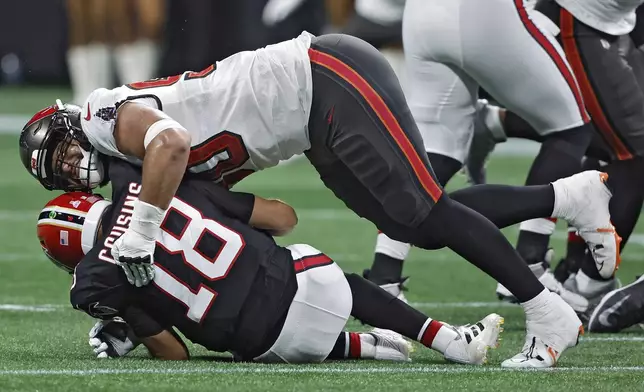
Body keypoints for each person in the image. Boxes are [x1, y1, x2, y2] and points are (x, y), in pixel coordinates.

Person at [19, 32, 603, 367]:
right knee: (416, 223)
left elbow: (170, 142)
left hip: (325, 78)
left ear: (76, 126)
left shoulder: (103, 115)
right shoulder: (132, 169)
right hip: (314, 118)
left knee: (423, 212)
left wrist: (141, 232)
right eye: (60, 171)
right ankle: (566, 196)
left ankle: (550, 317)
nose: (73, 165)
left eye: (64, 150)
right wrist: (128, 318)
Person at [37, 158, 503, 364]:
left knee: (250, 322)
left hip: (264, 351)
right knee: (322, 276)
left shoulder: (97, 281)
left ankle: (360, 345)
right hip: (312, 287)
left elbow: (175, 353)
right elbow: (285, 219)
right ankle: (448, 340)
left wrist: (132, 319)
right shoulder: (162, 185)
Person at [468, 1, 644, 309]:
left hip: (608, 18)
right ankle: (580, 281)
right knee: (624, 148)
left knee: (596, 133)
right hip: (580, 16)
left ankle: (569, 268)